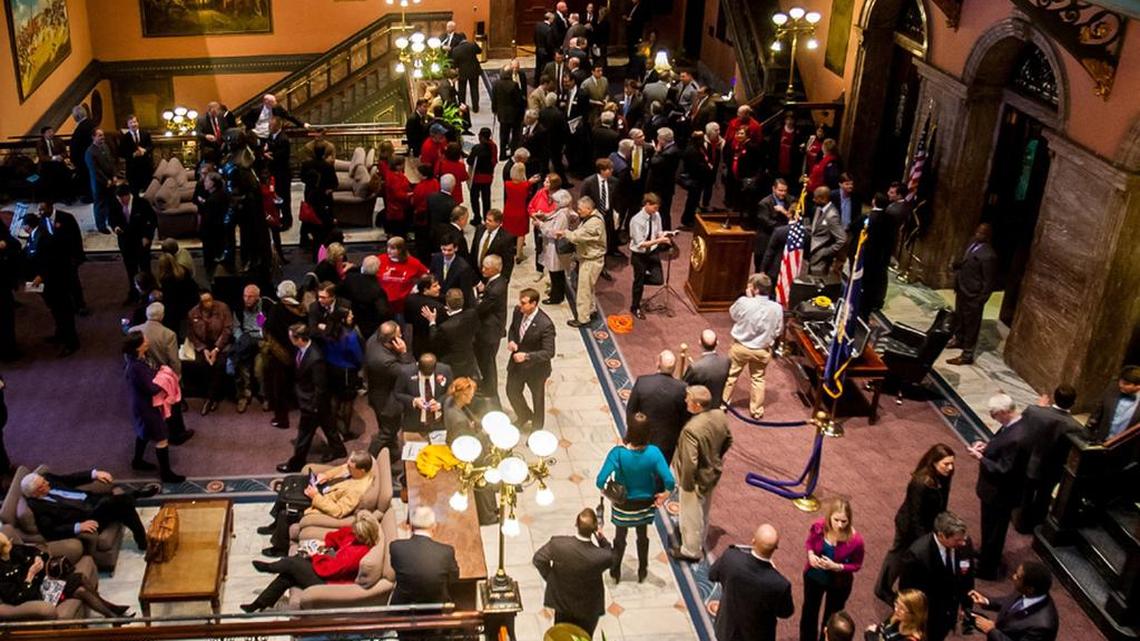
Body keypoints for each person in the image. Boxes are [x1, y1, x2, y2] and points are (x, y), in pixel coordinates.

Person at [243, 510, 381, 612]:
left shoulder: (359, 553)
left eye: (356, 532)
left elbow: (331, 570)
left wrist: (316, 555)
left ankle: (270, 567)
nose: (353, 532)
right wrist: (325, 547)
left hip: (329, 582)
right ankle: (259, 604)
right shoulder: (355, 535)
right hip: (332, 563)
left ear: (364, 535)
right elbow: (338, 535)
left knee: (292, 564)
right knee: (288, 576)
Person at [595, 413, 673, 583]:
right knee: (642, 535)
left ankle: (615, 571)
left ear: (629, 431)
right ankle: (643, 569)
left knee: (619, 537)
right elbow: (670, 481)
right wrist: (664, 496)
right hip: (645, 503)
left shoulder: (617, 454)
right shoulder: (654, 453)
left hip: (623, 504)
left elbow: (600, 480)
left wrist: (605, 491)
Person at [875, 443, 956, 604]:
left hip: (928, 524)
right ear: (934, 462)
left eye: (952, 463)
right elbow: (915, 515)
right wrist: (924, 540)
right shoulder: (920, 482)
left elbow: (943, 503)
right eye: (946, 464)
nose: (950, 467)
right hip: (909, 526)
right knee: (897, 555)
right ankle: (882, 588)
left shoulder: (945, 476)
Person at [259, 449, 374, 557]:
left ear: (361, 470)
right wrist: (326, 475)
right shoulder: (355, 469)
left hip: (321, 502)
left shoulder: (357, 490)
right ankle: (275, 526)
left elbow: (338, 511)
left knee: (287, 510)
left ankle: (280, 548)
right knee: (287, 489)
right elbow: (341, 468)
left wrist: (315, 496)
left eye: (350, 466)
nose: (347, 467)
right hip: (322, 490)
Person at [0, 531, 132, 618]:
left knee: (81, 578)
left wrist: (37, 558)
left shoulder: (14, 549)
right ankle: (112, 615)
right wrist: (30, 575)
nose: (12, 544)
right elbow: (17, 598)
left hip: (43, 582)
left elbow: (35, 551)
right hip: (36, 595)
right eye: (8, 544)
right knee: (80, 589)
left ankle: (111, 609)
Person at [969, 393, 1028, 580]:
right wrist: (986, 447)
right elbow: (1001, 447)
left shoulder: (1018, 437)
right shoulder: (1014, 427)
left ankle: (987, 568)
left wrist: (981, 458)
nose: (993, 418)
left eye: (994, 415)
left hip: (1000, 494)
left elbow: (1005, 469)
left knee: (994, 531)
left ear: (1004, 412)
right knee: (989, 528)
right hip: (996, 492)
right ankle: (986, 554)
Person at [670, 385, 732, 562]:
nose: (685, 401)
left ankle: (690, 550)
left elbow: (690, 461)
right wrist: (716, 459)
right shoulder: (720, 415)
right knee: (704, 509)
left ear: (697, 405)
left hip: (694, 479)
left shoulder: (692, 429)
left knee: (691, 514)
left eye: (688, 399)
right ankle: (700, 539)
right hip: (711, 473)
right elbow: (729, 440)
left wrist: (686, 485)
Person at [20, 469, 154, 551]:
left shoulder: (48, 478)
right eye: (43, 485)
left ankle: (142, 542)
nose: (47, 483)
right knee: (115, 501)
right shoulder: (39, 507)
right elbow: (51, 531)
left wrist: (94, 474)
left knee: (124, 507)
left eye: (44, 481)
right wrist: (78, 527)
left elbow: (70, 479)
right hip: (88, 516)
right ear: (36, 492)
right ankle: (136, 494)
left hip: (92, 499)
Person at [277, 323, 347, 473]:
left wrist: (314, 406)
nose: (289, 340)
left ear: (299, 339)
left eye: (291, 337)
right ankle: (339, 449)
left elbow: (320, 387)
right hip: (314, 400)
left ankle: (296, 463)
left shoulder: (315, 359)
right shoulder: (304, 349)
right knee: (328, 425)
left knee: (304, 434)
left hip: (313, 402)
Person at [533, 508, 613, 636]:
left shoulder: (559, 544)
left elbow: (538, 559)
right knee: (584, 636)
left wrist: (552, 579)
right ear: (594, 529)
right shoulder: (600, 556)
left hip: (563, 603)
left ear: (576, 525)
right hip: (588, 608)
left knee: (562, 635)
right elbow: (611, 556)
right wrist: (602, 539)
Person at [709, 523, 795, 641]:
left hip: (727, 629)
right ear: (775, 548)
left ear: (753, 540)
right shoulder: (780, 584)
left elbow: (712, 575)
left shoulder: (731, 557)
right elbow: (786, 612)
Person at [898, 511, 976, 641]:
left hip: (950, 612)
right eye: (957, 540)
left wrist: (967, 607)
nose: (963, 543)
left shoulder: (964, 543)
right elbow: (908, 594)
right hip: (929, 618)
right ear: (941, 535)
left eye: (963, 538)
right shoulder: (917, 555)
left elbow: (967, 578)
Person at [122, 331, 185, 482]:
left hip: (139, 403)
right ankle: (166, 473)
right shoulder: (136, 367)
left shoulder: (137, 359)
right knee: (161, 437)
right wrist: (164, 378)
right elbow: (151, 388)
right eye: (144, 341)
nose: (147, 341)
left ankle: (137, 461)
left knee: (143, 432)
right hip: (146, 407)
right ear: (138, 347)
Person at [799, 498, 865, 641]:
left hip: (839, 583)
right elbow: (809, 543)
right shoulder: (818, 527)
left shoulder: (856, 540)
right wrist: (810, 555)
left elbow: (857, 565)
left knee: (832, 617)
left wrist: (838, 567)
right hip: (814, 576)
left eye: (844, 521)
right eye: (836, 520)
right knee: (810, 612)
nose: (840, 525)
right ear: (829, 517)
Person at [1018, 385, 1082, 530]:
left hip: (1030, 461)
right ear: (1073, 403)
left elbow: (1020, 428)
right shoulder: (1075, 427)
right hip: (1053, 469)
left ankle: (1020, 523)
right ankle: (1036, 524)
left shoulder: (1034, 411)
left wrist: (1040, 407)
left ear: (1054, 397)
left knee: (1026, 494)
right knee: (1044, 497)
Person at [723, 274, 783, 418]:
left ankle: (723, 403)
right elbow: (778, 330)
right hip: (762, 350)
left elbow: (733, 315)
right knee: (758, 379)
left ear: (755, 289)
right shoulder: (777, 308)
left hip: (740, 347)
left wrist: (748, 300)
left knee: (731, 376)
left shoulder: (744, 302)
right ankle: (756, 411)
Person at [22, 214, 79, 357]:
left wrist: (40, 276)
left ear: (28, 226)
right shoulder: (35, 236)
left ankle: (71, 342)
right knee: (55, 309)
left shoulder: (44, 238)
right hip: (47, 284)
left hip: (55, 283)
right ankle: (60, 333)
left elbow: (51, 261)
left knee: (63, 310)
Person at [966, 561, 1059, 641]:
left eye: (1018, 577)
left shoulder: (1042, 627)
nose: (1013, 577)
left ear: (1030, 589)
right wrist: (987, 601)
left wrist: (991, 631)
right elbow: (1011, 602)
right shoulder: (1025, 591)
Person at [947, 223, 997, 365]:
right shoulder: (972, 243)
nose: (978, 235)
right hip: (962, 288)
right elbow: (966, 261)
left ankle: (967, 354)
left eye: (982, 234)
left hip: (974, 295)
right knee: (960, 317)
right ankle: (959, 339)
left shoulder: (989, 256)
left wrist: (980, 299)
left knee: (972, 325)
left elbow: (989, 282)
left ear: (987, 236)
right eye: (977, 232)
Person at [506, 288, 556, 430]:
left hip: (536, 370)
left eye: (524, 303)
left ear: (533, 304)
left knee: (537, 400)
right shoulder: (518, 312)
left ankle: (537, 430)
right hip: (517, 365)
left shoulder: (545, 324)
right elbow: (513, 329)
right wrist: (512, 341)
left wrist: (527, 356)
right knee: (512, 391)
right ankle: (524, 414)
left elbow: (549, 352)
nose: (520, 306)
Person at [626, 350, 688, 462]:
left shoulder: (643, 382)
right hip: (667, 442)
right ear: (674, 368)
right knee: (660, 473)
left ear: (658, 363)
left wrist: (631, 434)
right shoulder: (682, 388)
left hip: (641, 438)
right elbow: (684, 417)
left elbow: (631, 411)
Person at [389, 507, 459, 605]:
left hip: (403, 606)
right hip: (437, 607)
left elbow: (395, 567)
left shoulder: (396, 547)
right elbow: (454, 578)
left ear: (411, 527)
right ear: (434, 526)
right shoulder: (446, 551)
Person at [556, 196, 606, 327]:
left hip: (591, 260)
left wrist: (565, 233)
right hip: (589, 258)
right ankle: (591, 310)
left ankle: (583, 318)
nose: (578, 211)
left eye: (580, 209)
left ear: (589, 209)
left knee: (583, 290)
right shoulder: (591, 217)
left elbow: (577, 237)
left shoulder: (594, 223)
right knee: (589, 288)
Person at [188, 290, 233, 416]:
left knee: (219, 365)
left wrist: (217, 349)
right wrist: (204, 349)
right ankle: (211, 397)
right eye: (205, 301)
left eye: (210, 300)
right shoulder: (193, 313)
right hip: (203, 346)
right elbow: (192, 334)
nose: (208, 303)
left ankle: (212, 398)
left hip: (221, 344)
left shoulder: (223, 308)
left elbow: (228, 329)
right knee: (203, 365)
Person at [628, 193, 672, 319]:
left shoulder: (656, 215)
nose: (656, 211)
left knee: (658, 279)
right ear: (647, 204)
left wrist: (666, 235)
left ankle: (639, 280)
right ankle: (634, 307)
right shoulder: (636, 220)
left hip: (652, 251)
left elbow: (658, 232)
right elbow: (641, 244)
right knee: (639, 283)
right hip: (639, 254)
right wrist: (660, 241)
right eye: (654, 208)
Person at [475, 254, 509, 405]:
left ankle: (490, 389)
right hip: (492, 327)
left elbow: (482, 309)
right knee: (486, 360)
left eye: (486, 268)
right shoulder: (497, 281)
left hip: (490, 331)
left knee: (488, 362)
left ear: (495, 269)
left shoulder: (496, 289)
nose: (482, 270)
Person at [425, 288, 479, 379]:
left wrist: (432, 322)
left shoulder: (445, 327)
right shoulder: (472, 314)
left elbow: (434, 341)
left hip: (451, 364)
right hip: (468, 358)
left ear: (447, 303)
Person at [230, 285, 267, 414]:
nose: (247, 299)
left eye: (250, 296)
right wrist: (243, 340)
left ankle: (264, 396)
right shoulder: (239, 308)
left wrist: (261, 339)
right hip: (245, 340)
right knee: (241, 367)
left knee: (259, 369)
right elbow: (236, 327)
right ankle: (244, 396)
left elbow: (266, 328)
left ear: (257, 297)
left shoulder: (266, 307)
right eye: (245, 296)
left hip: (261, 341)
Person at [300, 143, 338, 263]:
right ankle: (328, 251)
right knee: (326, 226)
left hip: (309, 195)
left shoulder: (306, 164)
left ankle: (305, 241)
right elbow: (335, 183)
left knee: (309, 220)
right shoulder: (327, 166)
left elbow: (302, 178)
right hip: (325, 198)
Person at [536, 189, 574, 305]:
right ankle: (556, 293)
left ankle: (556, 297)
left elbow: (554, 232)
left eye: (556, 201)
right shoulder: (562, 211)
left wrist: (541, 225)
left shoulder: (562, 214)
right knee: (557, 273)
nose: (554, 203)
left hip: (556, 247)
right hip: (554, 247)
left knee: (556, 274)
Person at [341, 255, 392, 342]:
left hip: (353, 318)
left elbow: (340, 291)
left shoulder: (351, 278)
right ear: (378, 270)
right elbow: (383, 312)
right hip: (370, 325)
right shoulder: (378, 290)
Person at [1085, 365, 1140, 443]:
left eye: (1126, 384)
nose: (1120, 385)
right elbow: (1097, 411)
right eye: (1120, 381)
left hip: (1125, 448)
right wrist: (1088, 433)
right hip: (1100, 442)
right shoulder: (1112, 388)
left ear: (1138, 386)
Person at [377, 237, 429, 319]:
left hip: (401, 305)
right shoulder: (380, 259)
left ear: (401, 250)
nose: (389, 250)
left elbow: (426, 276)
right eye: (388, 247)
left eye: (393, 248)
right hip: (383, 304)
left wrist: (417, 288)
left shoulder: (413, 262)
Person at [580, 158, 622, 259]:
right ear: (602, 170)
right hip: (595, 215)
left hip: (608, 213)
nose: (612, 171)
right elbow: (583, 200)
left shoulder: (614, 181)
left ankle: (610, 250)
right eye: (609, 169)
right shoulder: (588, 182)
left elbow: (617, 198)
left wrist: (617, 212)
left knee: (609, 233)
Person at [679, 329, 731, 403]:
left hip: (700, 406)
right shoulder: (726, 361)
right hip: (716, 403)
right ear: (717, 343)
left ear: (700, 343)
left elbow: (685, 386)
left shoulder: (695, 367)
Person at [807, 186, 846, 276]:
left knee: (818, 285)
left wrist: (826, 252)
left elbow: (842, 239)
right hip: (811, 255)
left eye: (815, 198)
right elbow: (815, 229)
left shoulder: (832, 216)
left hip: (821, 260)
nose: (813, 200)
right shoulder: (818, 209)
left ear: (823, 199)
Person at [647, 128, 682, 229]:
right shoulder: (674, 148)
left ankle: (665, 235)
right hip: (667, 185)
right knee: (664, 211)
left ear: (662, 140)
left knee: (663, 212)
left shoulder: (668, 153)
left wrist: (656, 152)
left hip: (662, 187)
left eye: (658, 138)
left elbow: (653, 163)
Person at [472, 209, 517, 282]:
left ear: (498, 223)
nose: (486, 222)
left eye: (490, 221)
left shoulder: (506, 238)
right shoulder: (479, 229)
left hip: (492, 277)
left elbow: (508, 262)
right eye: (486, 219)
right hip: (476, 274)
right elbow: (473, 251)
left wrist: (504, 280)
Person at [85, 129, 116, 234]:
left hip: (110, 181)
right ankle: (101, 226)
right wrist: (106, 180)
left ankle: (112, 221)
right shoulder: (90, 152)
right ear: (93, 137)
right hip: (99, 183)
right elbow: (95, 170)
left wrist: (114, 176)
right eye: (99, 136)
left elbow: (111, 162)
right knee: (100, 205)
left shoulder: (105, 146)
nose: (102, 137)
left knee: (110, 203)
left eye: (103, 135)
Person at [503, 163, 536, 263]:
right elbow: (528, 185)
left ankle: (506, 251)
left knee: (508, 232)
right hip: (521, 211)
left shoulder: (507, 184)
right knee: (520, 234)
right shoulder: (525, 185)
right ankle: (519, 254)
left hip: (508, 210)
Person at [493, 65, 525, 157]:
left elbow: (494, 98)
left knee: (503, 134)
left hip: (502, 114)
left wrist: (494, 109)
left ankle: (502, 154)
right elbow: (518, 100)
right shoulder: (514, 85)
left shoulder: (496, 84)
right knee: (515, 135)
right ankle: (513, 152)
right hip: (514, 114)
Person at [118, 115, 153, 196]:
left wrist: (145, 150)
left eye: (135, 122)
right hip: (132, 169)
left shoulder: (145, 134)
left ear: (138, 123)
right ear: (128, 125)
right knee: (135, 193)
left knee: (148, 191)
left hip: (146, 167)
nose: (133, 124)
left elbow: (151, 146)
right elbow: (121, 153)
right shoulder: (124, 137)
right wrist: (133, 154)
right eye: (131, 123)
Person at [449, 38, 484, 111]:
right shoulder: (472, 45)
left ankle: (462, 105)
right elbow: (480, 51)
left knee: (462, 90)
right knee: (474, 89)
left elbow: (454, 63)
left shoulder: (456, 49)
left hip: (462, 72)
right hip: (474, 70)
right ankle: (475, 107)